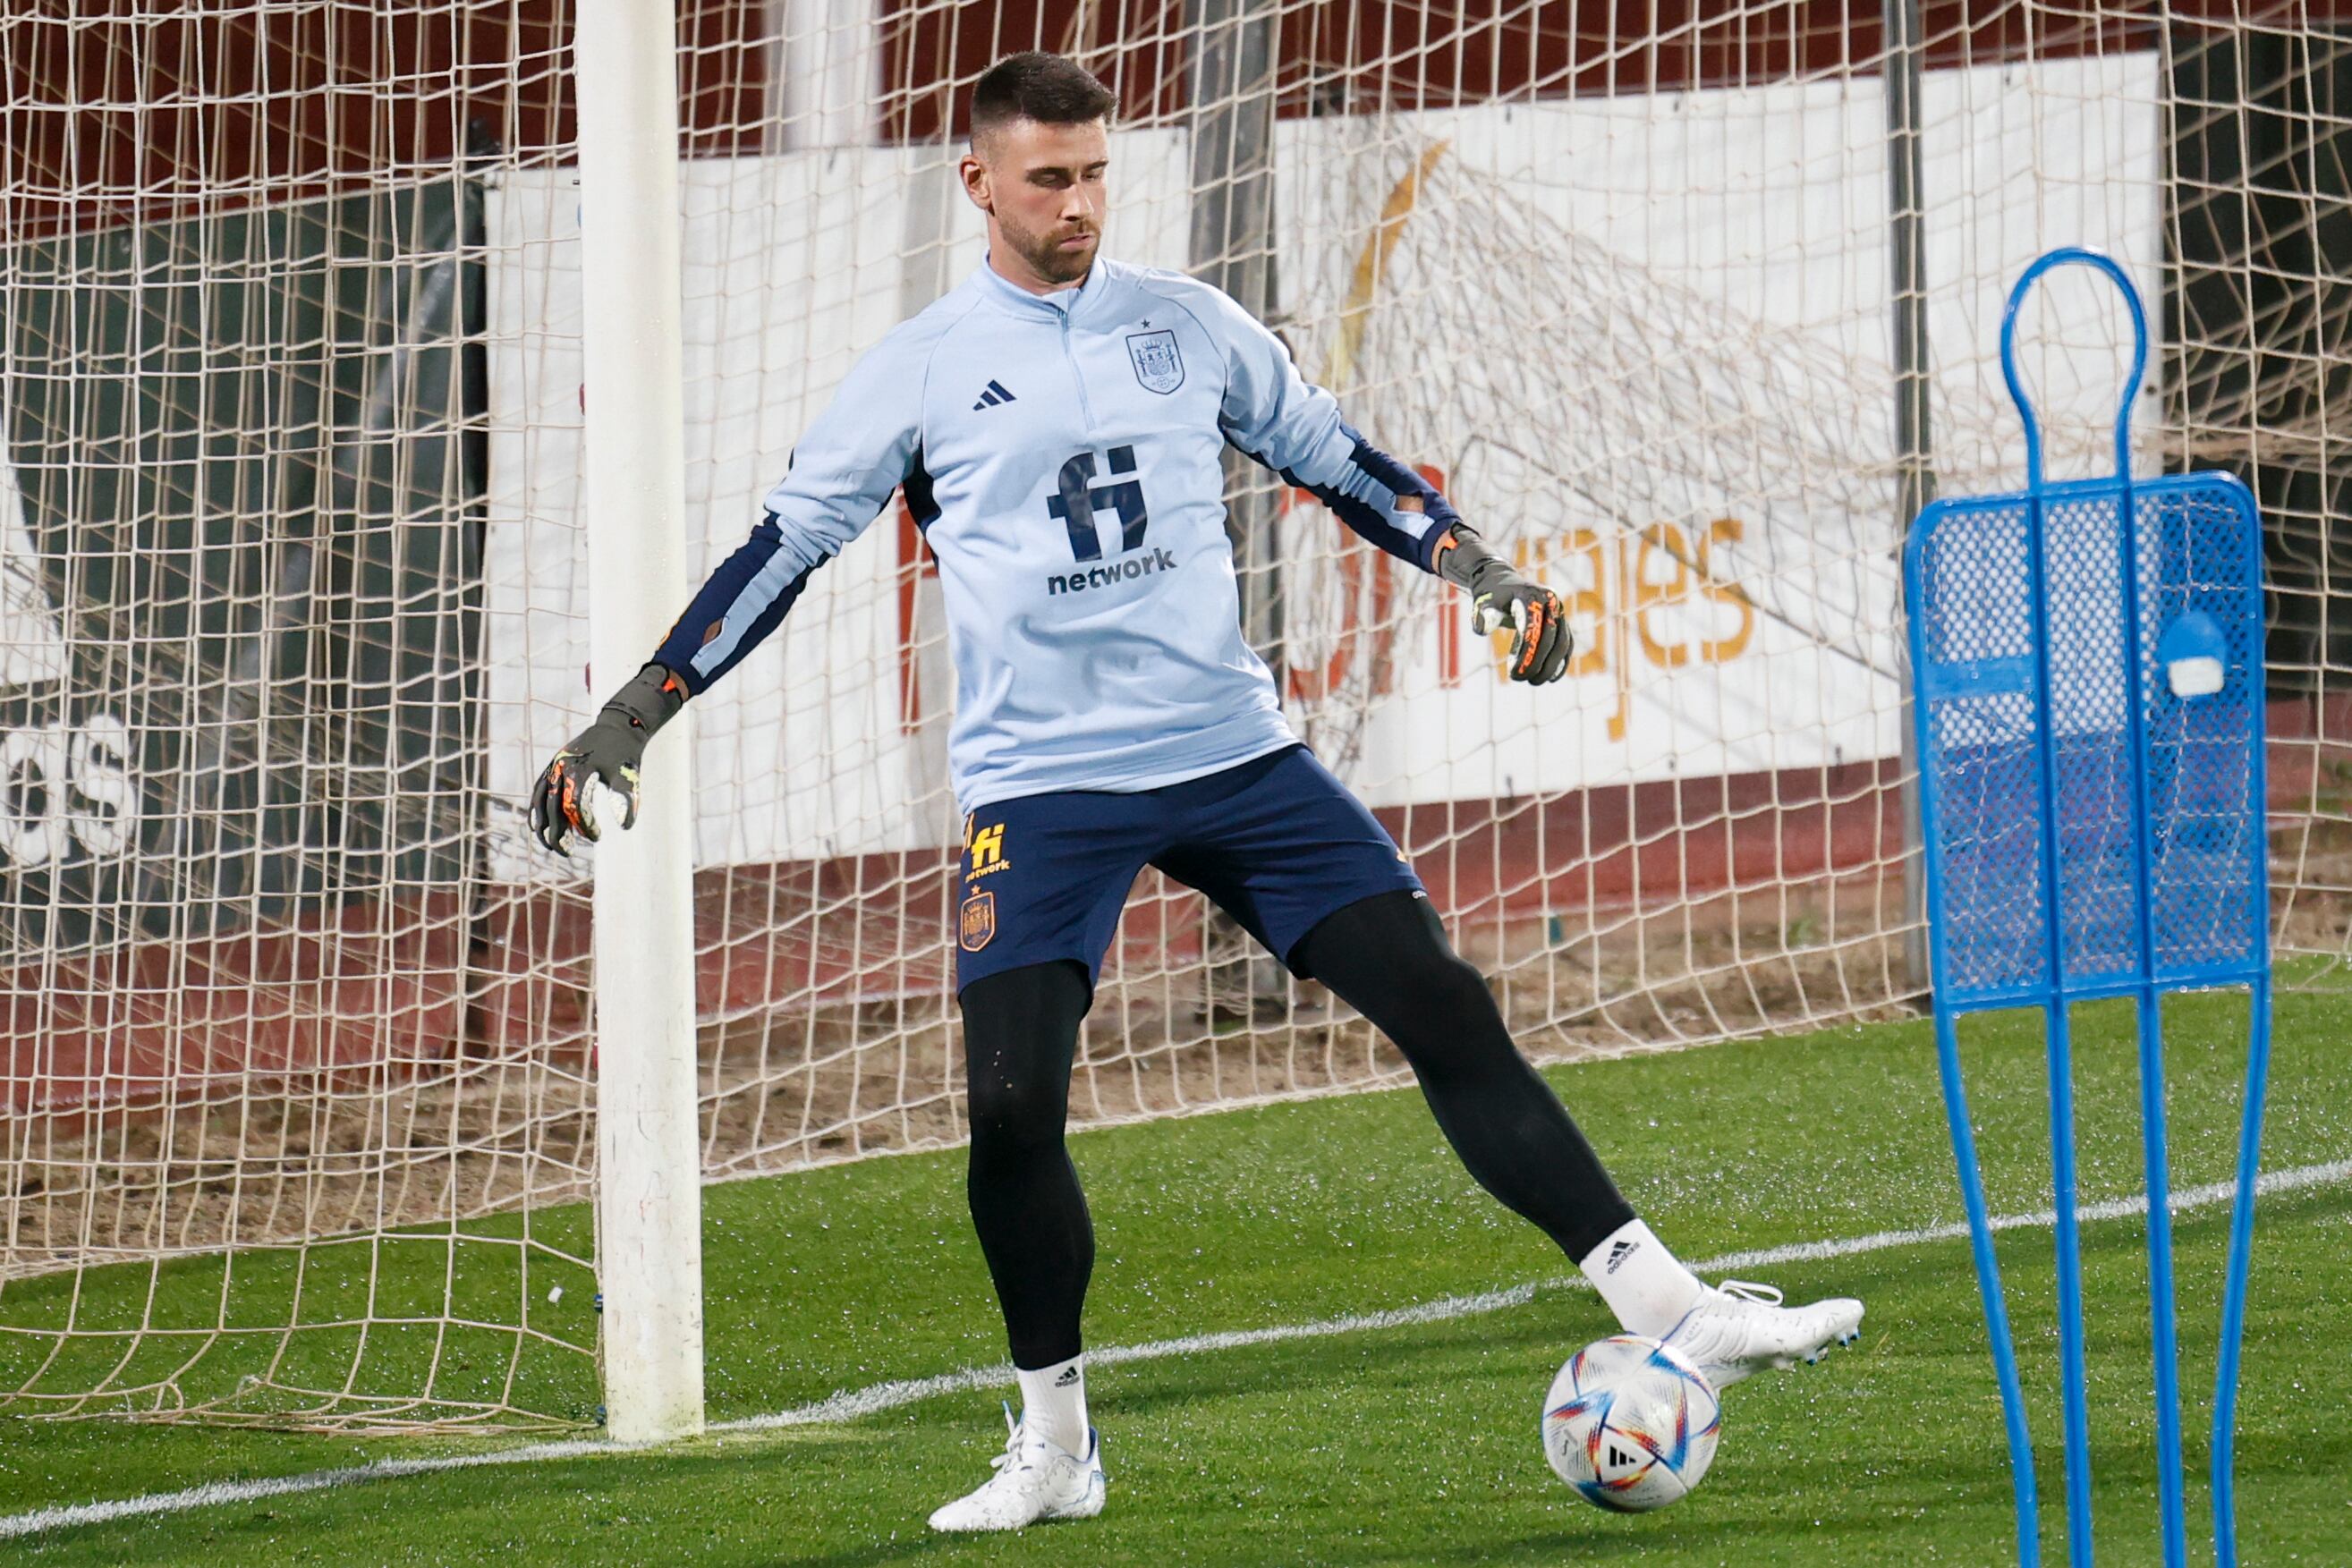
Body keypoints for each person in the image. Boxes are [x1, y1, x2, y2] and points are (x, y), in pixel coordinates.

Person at [530, 49, 1862, 1534]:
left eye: (1095, 172)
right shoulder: (916, 369)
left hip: (1234, 755)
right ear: (979, 181)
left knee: (1438, 998)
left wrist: (1478, 569)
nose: (1078, 203)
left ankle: (1676, 1306)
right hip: (1041, 790)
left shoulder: (1188, 326)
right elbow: (780, 551)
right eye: (1048, 178)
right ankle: (1056, 1446)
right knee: (1011, 1102)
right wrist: (628, 720)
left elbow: (1342, 461)